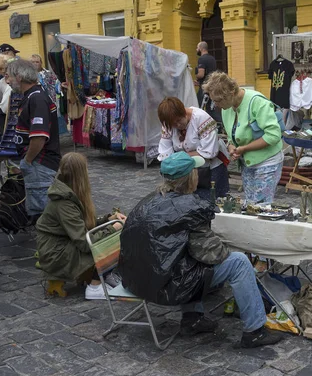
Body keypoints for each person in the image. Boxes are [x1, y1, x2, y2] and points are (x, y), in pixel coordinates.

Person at [119, 152, 283, 348]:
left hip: (137, 281)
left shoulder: (148, 201)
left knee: (186, 258)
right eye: (195, 170)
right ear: (191, 177)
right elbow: (215, 254)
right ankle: (255, 331)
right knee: (238, 262)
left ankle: (192, 318)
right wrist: (223, 242)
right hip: (168, 287)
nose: (199, 173)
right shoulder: (190, 208)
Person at [36, 153, 127, 300]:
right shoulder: (64, 203)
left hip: (62, 245)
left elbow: (82, 225)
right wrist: (112, 228)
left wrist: (109, 219)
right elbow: (84, 243)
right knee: (112, 238)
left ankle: (106, 276)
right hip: (56, 254)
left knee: (112, 232)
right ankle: (95, 287)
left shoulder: (68, 193)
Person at [202, 72, 283, 205]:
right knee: (251, 204)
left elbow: (273, 135)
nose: (215, 105)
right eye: (214, 101)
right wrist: (231, 146)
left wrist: (244, 148)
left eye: (218, 101)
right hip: (247, 162)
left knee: (260, 206)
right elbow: (230, 135)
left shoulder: (257, 102)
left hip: (268, 161)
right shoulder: (226, 107)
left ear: (231, 93)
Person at [6, 58, 61, 218]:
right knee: (41, 211)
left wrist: (27, 161)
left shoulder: (36, 98)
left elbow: (39, 137)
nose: (7, 81)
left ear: (19, 76)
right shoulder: (32, 96)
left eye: (8, 76)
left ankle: (49, 242)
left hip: (40, 163)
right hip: (38, 163)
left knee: (43, 214)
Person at [157, 96, 230, 199]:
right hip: (185, 171)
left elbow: (209, 152)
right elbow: (165, 154)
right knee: (186, 200)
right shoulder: (168, 124)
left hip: (211, 166)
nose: (177, 125)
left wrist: (179, 157)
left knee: (214, 199)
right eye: (173, 124)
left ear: (183, 112)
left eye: (179, 120)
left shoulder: (201, 118)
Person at [195, 42, 217, 106]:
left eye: (197, 48)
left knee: (199, 106)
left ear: (201, 49)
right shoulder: (212, 58)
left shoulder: (202, 59)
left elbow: (201, 74)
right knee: (211, 109)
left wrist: (197, 75)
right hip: (212, 86)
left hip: (204, 88)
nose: (196, 50)